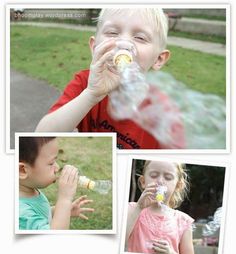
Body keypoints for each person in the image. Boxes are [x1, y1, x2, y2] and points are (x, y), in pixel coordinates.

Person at [36, 8, 185, 149]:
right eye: (113, 33)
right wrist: (90, 95)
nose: (124, 44)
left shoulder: (163, 113)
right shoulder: (85, 83)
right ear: (95, 47)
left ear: (159, 59)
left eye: (140, 37)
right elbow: (41, 137)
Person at [19, 137, 94, 230]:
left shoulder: (29, 190)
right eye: (51, 163)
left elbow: (41, 215)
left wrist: (62, 211)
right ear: (22, 170)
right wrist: (64, 199)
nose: (57, 167)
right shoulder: (21, 214)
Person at [126, 160, 194, 254]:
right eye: (154, 175)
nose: (160, 181)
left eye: (168, 177)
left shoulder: (183, 221)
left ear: (178, 185)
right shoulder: (132, 210)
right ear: (143, 182)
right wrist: (139, 207)